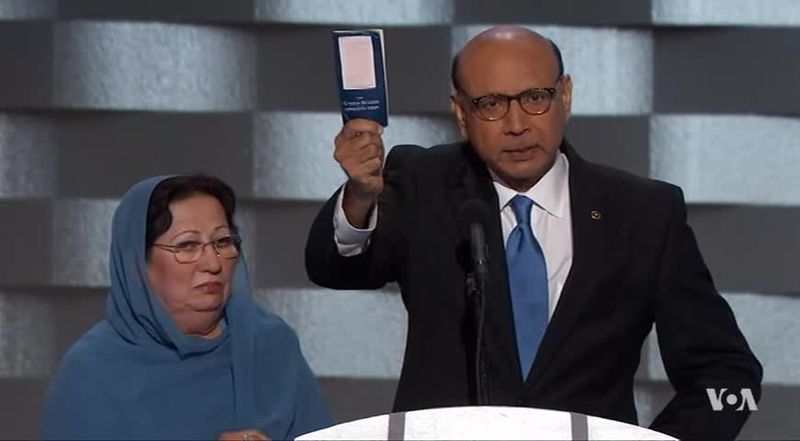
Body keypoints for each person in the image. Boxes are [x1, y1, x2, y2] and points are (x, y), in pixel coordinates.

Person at [305, 26, 762, 440]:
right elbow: (336, 267)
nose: (517, 123)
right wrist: (361, 197)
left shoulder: (643, 212)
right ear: (461, 115)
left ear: (565, 95)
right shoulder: (425, 183)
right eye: (491, 104)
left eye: (535, 97)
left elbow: (729, 375)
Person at [42, 175, 331, 440]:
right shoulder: (91, 372)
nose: (213, 263)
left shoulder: (272, 345)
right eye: (188, 246)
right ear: (136, 265)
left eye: (222, 241)